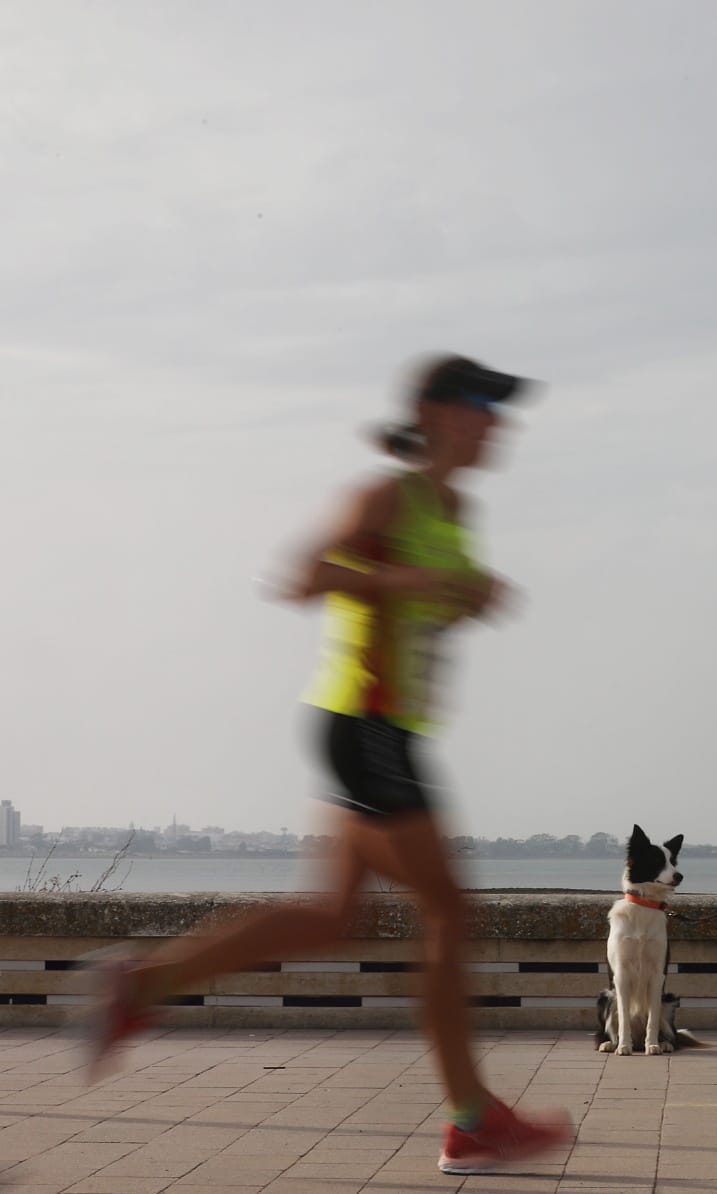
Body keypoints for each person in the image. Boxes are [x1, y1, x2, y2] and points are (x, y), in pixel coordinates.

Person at [80, 354, 571, 1175]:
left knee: (330, 917)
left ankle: (144, 986)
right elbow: (304, 575)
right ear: (438, 411)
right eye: (484, 404)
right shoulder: (388, 495)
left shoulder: (454, 507)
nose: (498, 422)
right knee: (450, 907)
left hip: (379, 730)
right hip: (365, 725)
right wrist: (427, 581)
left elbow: (407, 612)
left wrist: (460, 598)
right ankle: (471, 1116)